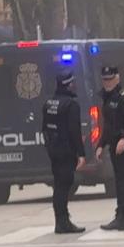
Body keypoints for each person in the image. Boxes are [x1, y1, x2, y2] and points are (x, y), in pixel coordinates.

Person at [41, 71, 88, 233]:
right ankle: (63, 222)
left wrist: (50, 148)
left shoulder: (48, 104)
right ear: (68, 85)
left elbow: (44, 129)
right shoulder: (71, 105)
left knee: (58, 186)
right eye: (73, 83)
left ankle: (60, 220)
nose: (75, 86)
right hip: (66, 151)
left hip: (54, 150)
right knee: (64, 186)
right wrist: (81, 154)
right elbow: (74, 131)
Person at [95, 65, 124, 230]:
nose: (107, 83)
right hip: (114, 143)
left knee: (123, 180)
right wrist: (101, 145)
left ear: (117, 78)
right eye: (104, 80)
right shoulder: (107, 98)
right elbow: (108, 126)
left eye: (110, 79)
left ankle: (121, 216)